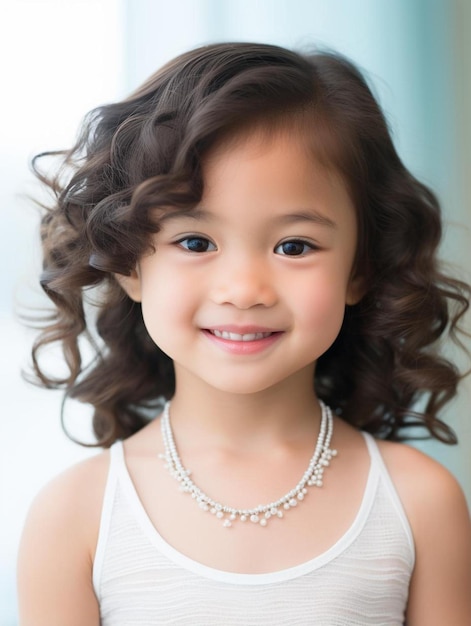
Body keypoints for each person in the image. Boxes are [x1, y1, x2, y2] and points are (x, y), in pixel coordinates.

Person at [17, 42, 471, 625]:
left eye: (294, 246)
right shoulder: (75, 516)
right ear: (129, 264)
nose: (245, 288)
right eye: (196, 242)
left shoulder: (420, 503)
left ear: (360, 269)